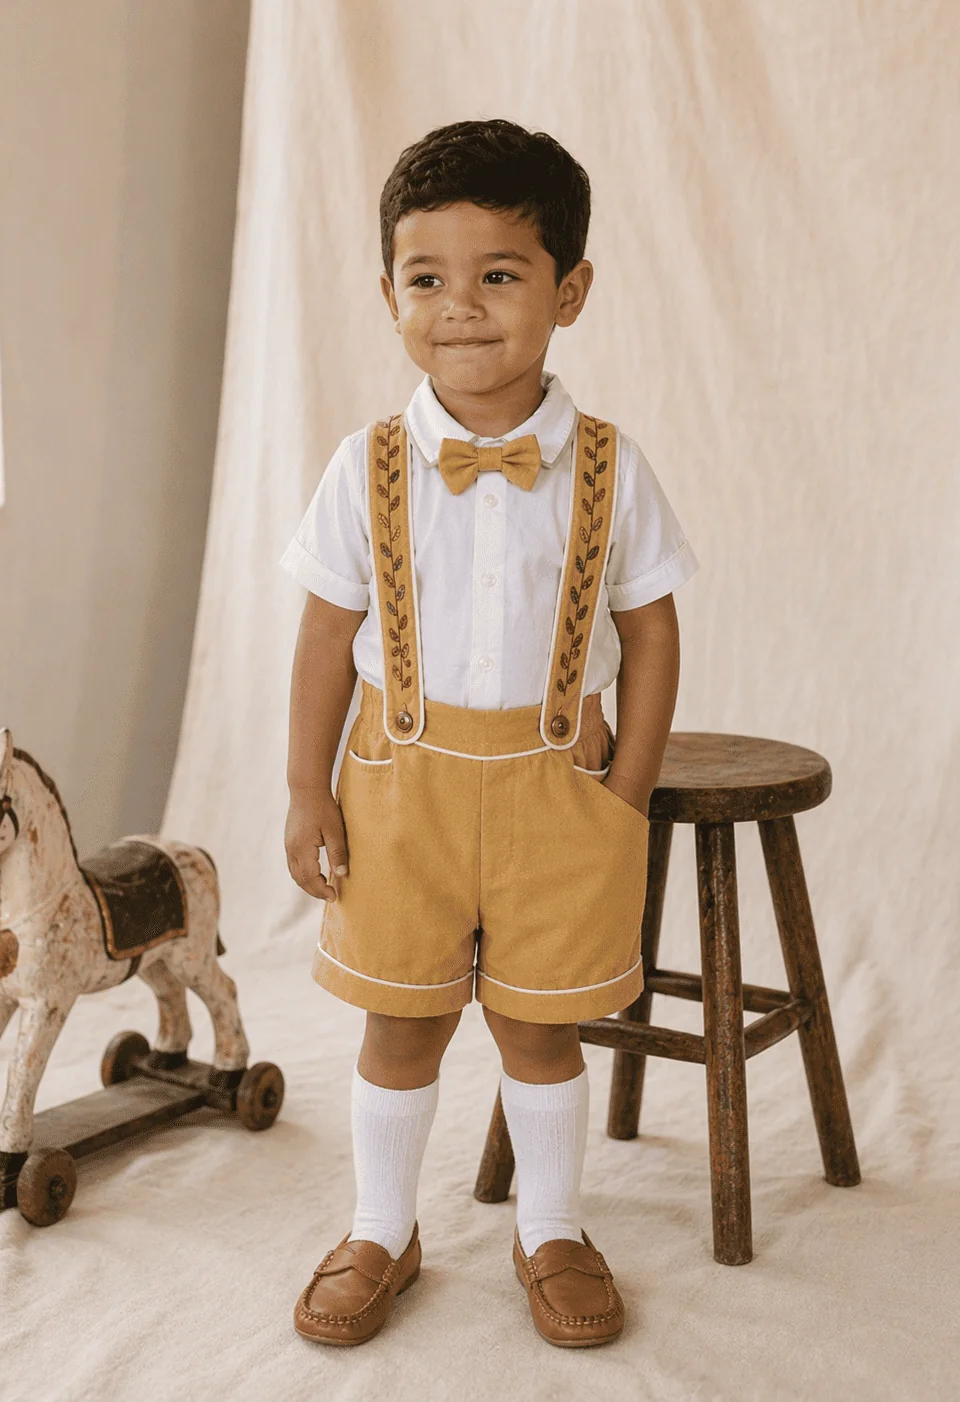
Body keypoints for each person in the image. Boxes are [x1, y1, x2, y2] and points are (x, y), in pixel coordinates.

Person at [278, 119, 698, 1348]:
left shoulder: (614, 469)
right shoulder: (367, 468)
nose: (460, 308)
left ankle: (552, 1227)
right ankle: (379, 1224)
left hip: (558, 792)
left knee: (540, 1021)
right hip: (396, 791)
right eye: (428, 279)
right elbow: (320, 642)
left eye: (499, 276)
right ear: (389, 293)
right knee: (398, 1018)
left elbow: (655, 633)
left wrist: (627, 789)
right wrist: (308, 790)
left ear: (568, 291)